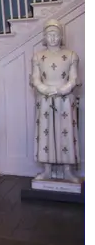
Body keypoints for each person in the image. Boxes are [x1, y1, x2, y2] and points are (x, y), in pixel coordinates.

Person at [30, 19, 81, 183]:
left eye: (56, 34)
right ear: (44, 36)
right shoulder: (38, 56)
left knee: (65, 131)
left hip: (65, 100)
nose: (52, 38)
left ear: (61, 36)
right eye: (49, 34)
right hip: (45, 100)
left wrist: (61, 90)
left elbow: (74, 78)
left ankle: (68, 170)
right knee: (45, 133)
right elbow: (35, 78)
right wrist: (45, 89)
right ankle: (47, 170)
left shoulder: (71, 55)